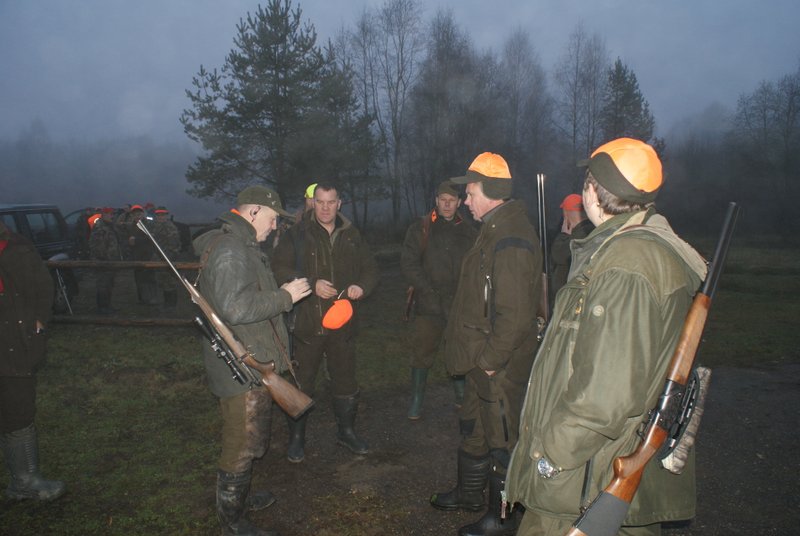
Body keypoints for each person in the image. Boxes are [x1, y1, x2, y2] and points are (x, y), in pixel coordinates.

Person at [505, 138, 707, 536]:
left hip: (585, 480)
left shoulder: (626, 264)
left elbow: (605, 395)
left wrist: (550, 455)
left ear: (592, 191)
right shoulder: (634, 250)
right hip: (600, 468)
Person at [430, 152, 542, 536]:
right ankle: (469, 494)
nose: (465, 201)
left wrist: (492, 360)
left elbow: (516, 314)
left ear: (491, 192)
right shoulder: (492, 228)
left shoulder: (511, 239)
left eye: (471, 193)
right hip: (481, 358)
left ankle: (502, 519)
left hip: (499, 364)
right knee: (475, 426)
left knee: (502, 441)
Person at [193, 185, 311, 536]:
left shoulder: (242, 246)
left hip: (248, 358)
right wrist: (285, 297)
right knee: (240, 444)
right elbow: (236, 307)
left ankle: (240, 498)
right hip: (240, 368)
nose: (275, 227)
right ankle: (232, 521)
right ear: (254, 211)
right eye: (273, 219)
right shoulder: (231, 250)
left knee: (250, 436)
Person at [272, 182, 379, 463]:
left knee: (345, 380)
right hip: (307, 325)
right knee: (302, 383)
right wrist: (310, 283)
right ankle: (297, 438)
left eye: (331, 202)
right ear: (312, 202)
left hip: (343, 325)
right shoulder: (296, 234)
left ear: (339, 203)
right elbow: (278, 268)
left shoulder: (352, 235)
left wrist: (361, 286)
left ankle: (346, 432)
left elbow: (370, 269)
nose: (325, 208)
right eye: (320, 202)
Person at [401, 179, 477, 420]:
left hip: (458, 304)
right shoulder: (421, 228)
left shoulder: (469, 230)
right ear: (436, 201)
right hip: (428, 304)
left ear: (459, 202)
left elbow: (476, 265)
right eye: (442, 200)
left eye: (451, 200)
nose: (446, 204)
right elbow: (409, 264)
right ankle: (416, 399)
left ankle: (461, 395)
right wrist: (427, 291)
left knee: (458, 350)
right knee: (422, 351)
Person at [0, 221, 66, 501]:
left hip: (15, 345)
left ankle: (25, 481)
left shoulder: (19, 248)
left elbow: (43, 287)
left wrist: (38, 322)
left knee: (18, 410)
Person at [549, 193, 594, 303]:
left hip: (570, 298)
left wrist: (563, 235)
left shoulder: (574, 238)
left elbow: (557, 255)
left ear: (566, 214)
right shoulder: (593, 231)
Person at [89, 207, 123, 314]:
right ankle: (102, 308)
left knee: (109, 284)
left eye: (112, 214)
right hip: (103, 262)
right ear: (103, 215)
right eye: (109, 214)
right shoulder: (99, 228)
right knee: (103, 285)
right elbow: (97, 247)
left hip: (111, 262)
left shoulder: (110, 226)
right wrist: (105, 259)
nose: (111, 216)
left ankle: (107, 306)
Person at [126, 205, 159, 305]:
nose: (137, 216)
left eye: (139, 214)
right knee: (138, 278)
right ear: (132, 215)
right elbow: (127, 239)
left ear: (143, 214)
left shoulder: (149, 224)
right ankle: (142, 299)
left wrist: (136, 240)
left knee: (150, 278)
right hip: (136, 256)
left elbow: (152, 238)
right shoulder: (130, 226)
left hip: (149, 255)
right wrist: (129, 243)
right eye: (135, 214)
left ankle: (153, 298)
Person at [151, 206, 181, 309]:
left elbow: (175, 245)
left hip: (168, 259)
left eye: (162, 215)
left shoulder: (170, 227)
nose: (160, 216)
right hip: (157, 259)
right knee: (162, 282)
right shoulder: (154, 226)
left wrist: (169, 258)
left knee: (169, 282)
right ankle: (166, 303)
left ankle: (171, 305)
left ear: (166, 215)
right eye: (158, 215)